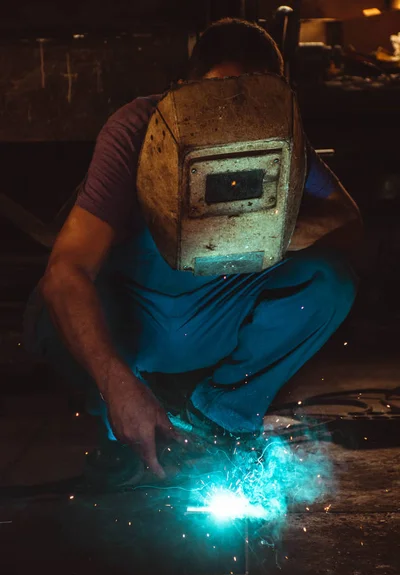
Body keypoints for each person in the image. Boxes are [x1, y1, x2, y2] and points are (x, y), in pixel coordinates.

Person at [25, 18, 362, 483]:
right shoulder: (138, 129)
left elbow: (347, 221)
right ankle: (121, 425)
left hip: (210, 317)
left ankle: (221, 414)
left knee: (327, 282)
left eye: (250, 97)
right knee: (59, 307)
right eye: (218, 94)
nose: (232, 113)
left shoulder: (277, 131)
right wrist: (115, 382)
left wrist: (259, 234)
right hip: (134, 319)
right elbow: (66, 271)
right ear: (183, 89)